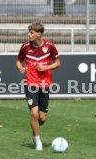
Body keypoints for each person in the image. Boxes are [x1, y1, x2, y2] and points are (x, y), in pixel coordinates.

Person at [16, 22, 61, 151]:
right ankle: (38, 141)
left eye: (32, 33)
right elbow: (18, 60)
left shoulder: (50, 46)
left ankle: (35, 130)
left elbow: (58, 64)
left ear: (39, 34)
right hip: (30, 84)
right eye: (29, 32)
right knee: (34, 114)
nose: (28, 35)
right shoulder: (25, 47)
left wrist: (45, 67)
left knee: (41, 118)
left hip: (44, 85)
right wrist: (21, 68)